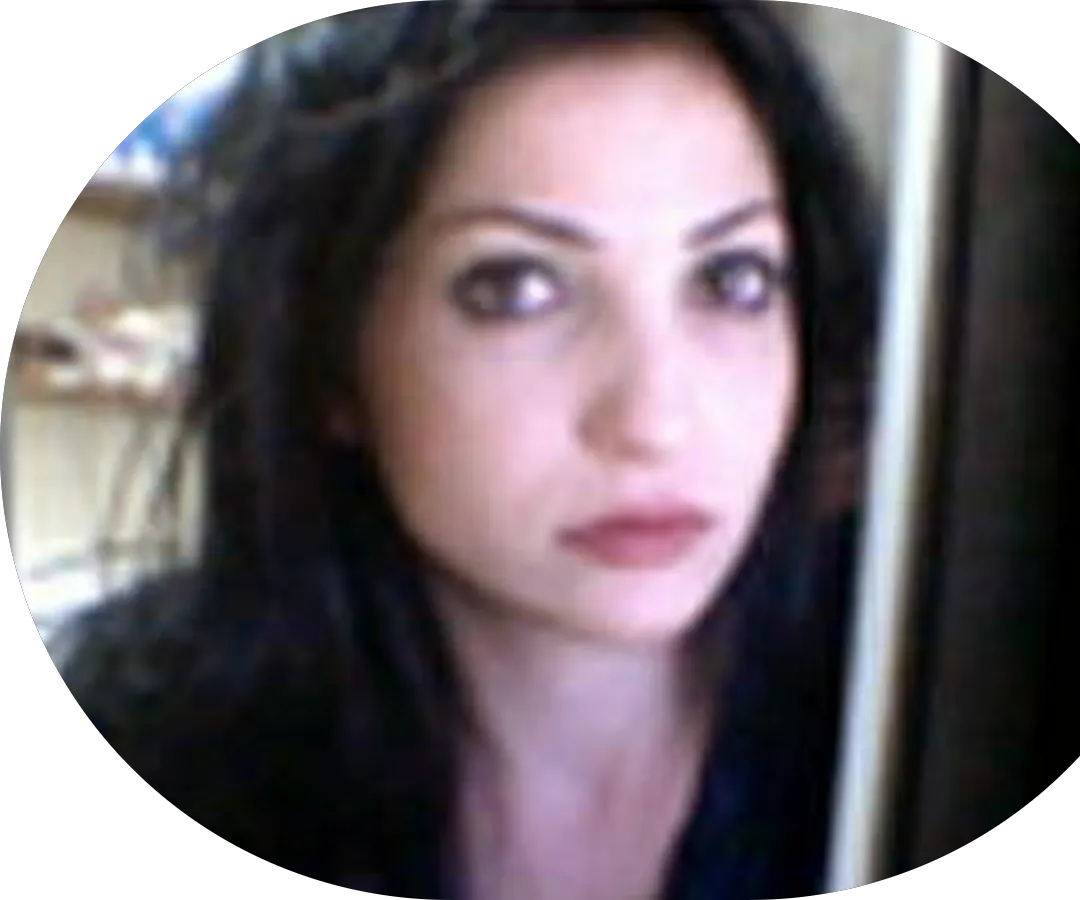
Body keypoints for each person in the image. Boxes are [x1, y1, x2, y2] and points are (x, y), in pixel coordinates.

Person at [53, 2, 882, 897]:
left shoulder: (932, 720)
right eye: (517, 288)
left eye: (733, 280)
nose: (654, 420)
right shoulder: (166, 751)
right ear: (329, 356)